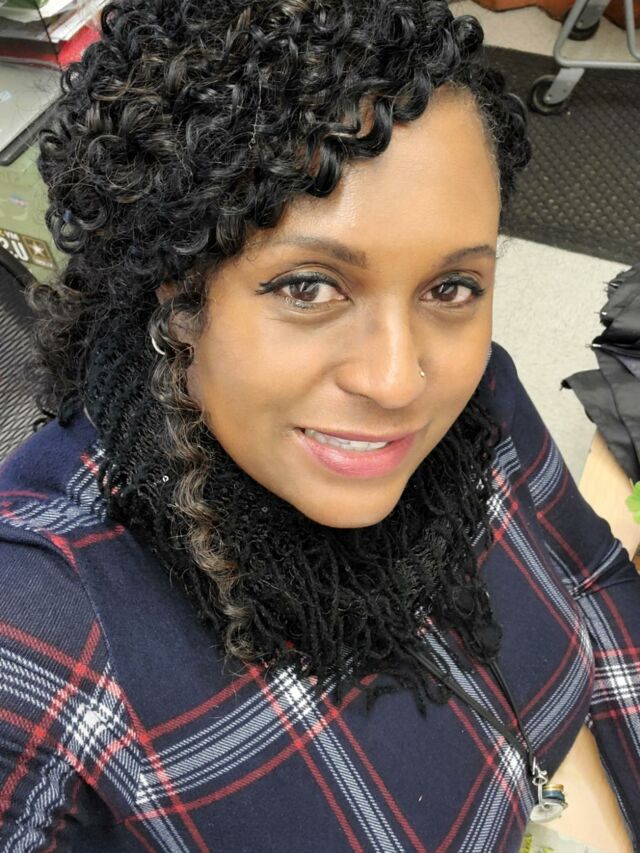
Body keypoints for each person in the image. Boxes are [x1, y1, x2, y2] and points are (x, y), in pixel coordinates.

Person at [0, 0, 638, 850]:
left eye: (451, 287)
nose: (398, 380)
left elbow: (592, 578)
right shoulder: (44, 632)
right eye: (308, 286)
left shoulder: (477, 392)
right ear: (168, 290)